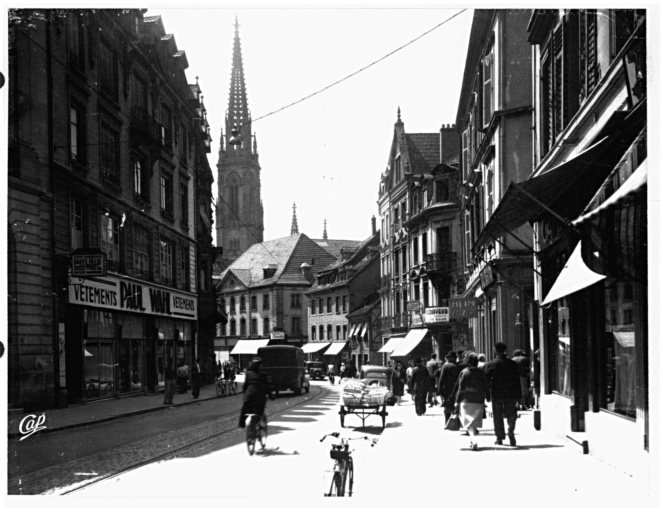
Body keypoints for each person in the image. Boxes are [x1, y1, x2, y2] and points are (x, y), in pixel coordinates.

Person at [484, 342, 522, 446]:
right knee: (511, 414)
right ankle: (511, 431)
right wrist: (519, 395)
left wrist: (487, 395)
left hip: (497, 394)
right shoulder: (512, 364)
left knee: (497, 416)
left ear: (495, 350)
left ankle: (499, 437)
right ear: (505, 350)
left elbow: (486, 382)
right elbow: (517, 380)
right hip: (511, 393)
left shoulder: (490, 365)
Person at [455, 352, 488, 451]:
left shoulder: (464, 372)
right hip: (479, 399)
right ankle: (472, 439)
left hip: (466, 400)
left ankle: (473, 440)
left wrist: (457, 400)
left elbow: (460, 388)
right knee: (473, 422)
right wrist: (488, 397)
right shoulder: (482, 373)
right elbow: (486, 386)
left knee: (468, 423)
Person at [239, 357, 273, 428]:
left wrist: (245, 394)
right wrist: (271, 396)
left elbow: (245, 386)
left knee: (244, 409)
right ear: (258, 366)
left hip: (248, 397)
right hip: (259, 397)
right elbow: (267, 386)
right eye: (260, 365)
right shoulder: (263, 374)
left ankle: (241, 423)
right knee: (261, 410)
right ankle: (260, 422)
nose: (261, 366)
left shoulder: (248, 374)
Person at [437, 351, 461, 422]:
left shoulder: (445, 366)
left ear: (449, 358)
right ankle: (456, 422)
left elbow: (441, 379)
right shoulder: (459, 366)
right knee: (456, 406)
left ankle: (447, 421)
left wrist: (439, 390)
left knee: (447, 406)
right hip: (457, 390)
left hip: (447, 390)